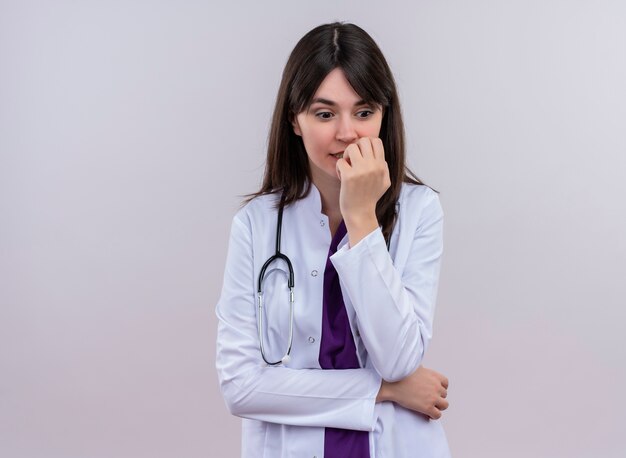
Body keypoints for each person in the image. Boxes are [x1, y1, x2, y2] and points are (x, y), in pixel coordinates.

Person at [216, 22, 451, 457]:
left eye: (364, 113)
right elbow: (241, 386)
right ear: (295, 120)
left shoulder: (419, 211)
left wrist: (361, 217)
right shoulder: (255, 225)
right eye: (325, 114)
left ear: (384, 114)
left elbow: (399, 358)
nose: (347, 133)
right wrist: (386, 390)